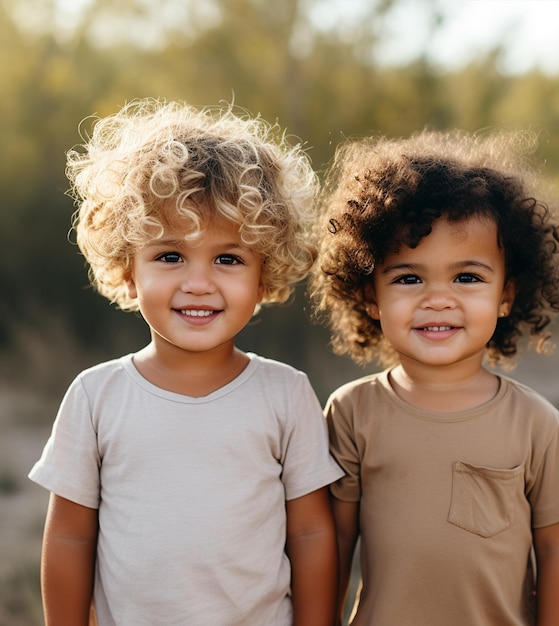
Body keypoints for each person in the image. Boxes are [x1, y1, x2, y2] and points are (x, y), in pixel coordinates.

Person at [29, 98, 343, 626]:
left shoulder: (285, 394)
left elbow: (311, 533)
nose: (199, 282)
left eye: (228, 258)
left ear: (264, 274)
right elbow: (69, 535)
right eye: (170, 255)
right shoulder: (95, 396)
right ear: (128, 270)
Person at [309, 129, 559, 626]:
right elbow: (334, 541)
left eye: (467, 277)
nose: (438, 298)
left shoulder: (535, 423)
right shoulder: (352, 412)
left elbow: (558, 550)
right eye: (408, 277)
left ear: (506, 295)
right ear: (370, 296)